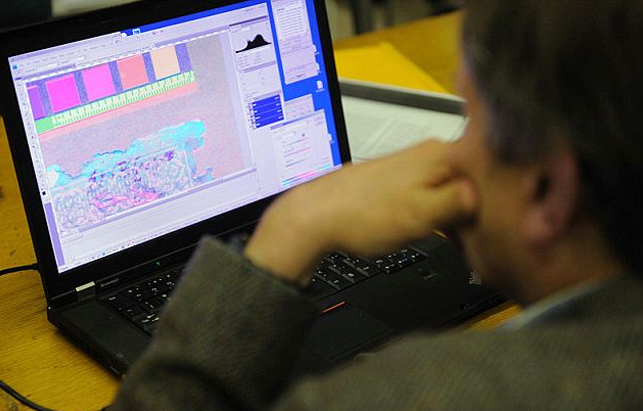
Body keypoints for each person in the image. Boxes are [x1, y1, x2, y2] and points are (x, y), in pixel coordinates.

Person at [108, 0, 643, 409]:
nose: (451, 151)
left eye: (472, 121)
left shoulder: (407, 394)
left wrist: (293, 224)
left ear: (549, 191)